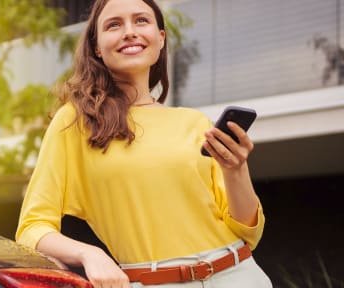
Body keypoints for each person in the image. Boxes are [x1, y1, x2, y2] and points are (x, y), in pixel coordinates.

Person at [15, 0, 272, 287]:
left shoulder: (194, 121)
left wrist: (236, 169)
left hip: (239, 275)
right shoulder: (75, 121)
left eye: (141, 21)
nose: (129, 32)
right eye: (114, 24)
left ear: (160, 38)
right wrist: (89, 254)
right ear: (97, 47)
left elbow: (249, 233)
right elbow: (31, 228)